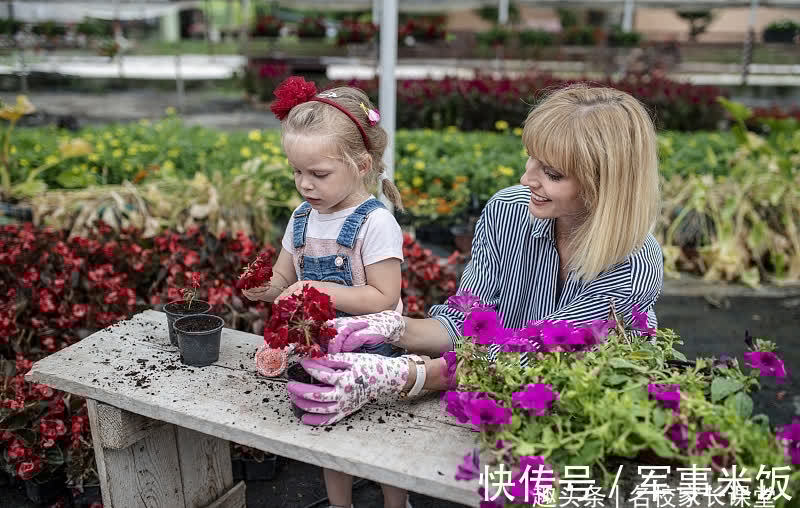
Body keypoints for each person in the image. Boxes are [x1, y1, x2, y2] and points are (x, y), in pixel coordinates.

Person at [287, 84, 665, 428]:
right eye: (530, 159)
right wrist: (394, 328)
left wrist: (407, 374)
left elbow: (533, 358)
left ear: (603, 186)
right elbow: (465, 322)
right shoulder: (508, 212)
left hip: (574, 419)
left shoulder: (632, 265)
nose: (526, 179)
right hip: (488, 396)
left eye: (551, 173)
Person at [241, 76, 411, 508]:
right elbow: (284, 278)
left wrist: (315, 288)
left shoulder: (375, 223)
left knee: (381, 436)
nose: (305, 184)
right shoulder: (302, 218)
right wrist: (266, 288)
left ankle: (396, 502)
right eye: (296, 171)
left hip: (374, 351)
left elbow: (383, 298)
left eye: (318, 174)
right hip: (319, 347)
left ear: (361, 166)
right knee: (328, 433)